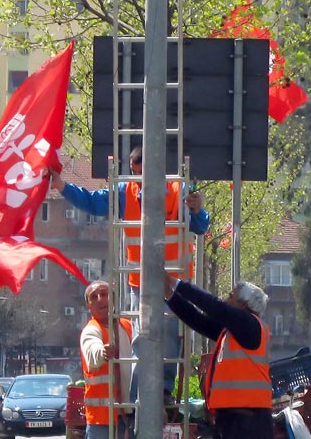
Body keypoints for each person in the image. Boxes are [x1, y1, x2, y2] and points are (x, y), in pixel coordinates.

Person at [50, 146, 210, 403]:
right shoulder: (127, 192)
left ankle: (164, 392)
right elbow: (93, 202)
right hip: (141, 282)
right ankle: (140, 398)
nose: (140, 180)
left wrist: (197, 210)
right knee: (141, 339)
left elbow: (201, 226)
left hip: (174, 284)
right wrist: (61, 186)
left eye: (143, 173)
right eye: (136, 174)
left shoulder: (178, 192)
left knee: (169, 337)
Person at [163, 274, 273, 439]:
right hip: (236, 418)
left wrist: (174, 283)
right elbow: (197, 320)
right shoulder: (236, 331)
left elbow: (213, 305)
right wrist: (168, 293)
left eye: (230, 296)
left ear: (243, 305)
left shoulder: (249, 325)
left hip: (247, 421)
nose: (225, 300)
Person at [81, 280, 133, 439]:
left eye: (104, 294)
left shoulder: (128, 326)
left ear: (113, 299)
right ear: (88, 306)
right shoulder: (91, 329)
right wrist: (102, 353)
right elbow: (91, 350)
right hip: (102, 419)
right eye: (93, 297)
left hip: (129, 413)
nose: (99, 299)